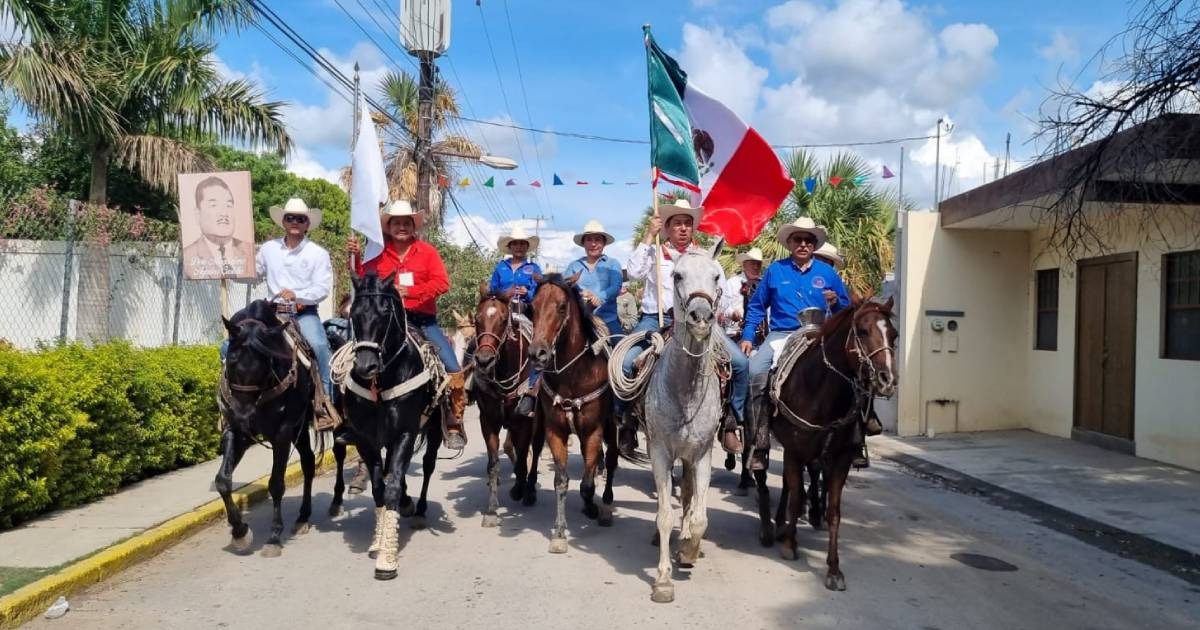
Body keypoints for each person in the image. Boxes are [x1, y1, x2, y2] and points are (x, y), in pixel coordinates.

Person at [622, 198, 748, 455]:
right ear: (666, 228)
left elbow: (720, 293)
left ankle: (730, 422)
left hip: (699, 322)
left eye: (687, 224)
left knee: (740, 364)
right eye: (676, 223)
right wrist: (649, 236)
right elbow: (633, 273)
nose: (682, 228)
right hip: (655, 321)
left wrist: (715, 311)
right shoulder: (656, 251)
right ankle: (627, 421)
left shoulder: (706, 257)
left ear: (693, 229)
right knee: (624, 362)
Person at [347, 200, 469, 450]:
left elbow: (441, 283)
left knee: (453, 369)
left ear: (413, 227)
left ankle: (453, 422)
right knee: (350, 365)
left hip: (422, 322)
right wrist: (356, 256)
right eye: (396, 223)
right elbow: (364, 280)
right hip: (387, 327)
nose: (401, 227)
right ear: (389, 227)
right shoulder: (378, 253)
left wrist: (411, 292)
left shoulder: (427, 252)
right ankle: (350, 420)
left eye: (406, 223)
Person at [741, 217, 849, 470]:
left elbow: (847, 309)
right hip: (781, 334)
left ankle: (855, 441)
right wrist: (747, 337)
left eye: (808, 240)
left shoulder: (828, 273)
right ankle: (759, 442)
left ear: (814, 245)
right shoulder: (776, 271)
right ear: (789, 243)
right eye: (798, 239)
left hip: (819, 333)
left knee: (853, 375)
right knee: (755, 372)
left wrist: (836, 303)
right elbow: (757, 307)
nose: (803, 244)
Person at [488, 224, 544, 418]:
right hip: (502, 313)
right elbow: (491, 292)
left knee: (539, 346)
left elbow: (540, 293)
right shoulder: (500, 268)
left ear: (526, 247)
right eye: (515, 244)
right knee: (480, 341)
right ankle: (474, 383)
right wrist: (506, 294)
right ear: (510, 247)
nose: (519, 247)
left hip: (525, 312)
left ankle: (533, 388)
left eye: (522, 244)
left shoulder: (534, 268)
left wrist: (527, 293)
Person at [182, 176, 255, 279]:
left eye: (228, 205)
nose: (224, 213)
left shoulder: (249, 251)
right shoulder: (189, 255)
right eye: (214, 205)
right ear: (197, 214)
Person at [564, 220, 625, 340]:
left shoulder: (613, 264)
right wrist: (582, 294)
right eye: (589, 240)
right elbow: (565, 289)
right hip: (578, 320)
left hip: (607, 320)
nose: (593, 244)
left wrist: (597, 297)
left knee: (623, 353)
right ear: (583, 243)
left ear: (603, 243)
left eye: (597, 240)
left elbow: (615, 287)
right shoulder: (573, 266)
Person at [719, 247, 764, 341]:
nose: (756, 267)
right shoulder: (732, 283)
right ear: (744, 265)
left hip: (761, 335)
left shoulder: (764, 285)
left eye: (758, 264)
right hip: (735, 334)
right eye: (753, 263)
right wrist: (732, 313)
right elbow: (723, 305)